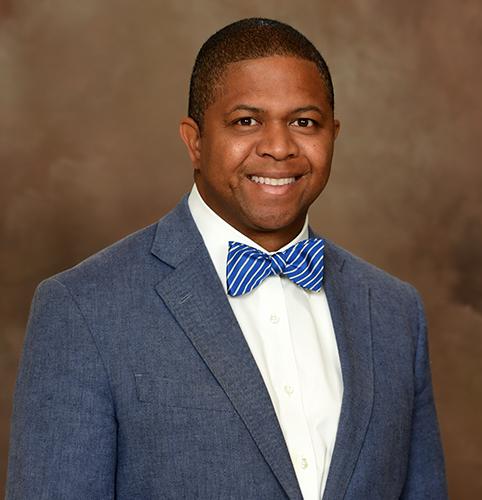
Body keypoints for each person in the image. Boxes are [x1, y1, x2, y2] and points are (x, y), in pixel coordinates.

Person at [6, 18, 447, 500]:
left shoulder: (394, 311)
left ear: (333, 134)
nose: (279, 147)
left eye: (304, 122)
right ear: (195, 140)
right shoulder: (82, 308)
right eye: (246, 121)